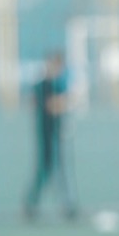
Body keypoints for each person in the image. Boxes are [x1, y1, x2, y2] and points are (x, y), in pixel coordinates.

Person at [23, 50, 78, 221]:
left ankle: (68, 204)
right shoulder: (43, 85)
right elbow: (41, 103)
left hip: (57, 133)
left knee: (61, 169)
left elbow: (65, 101)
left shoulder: (59, 83)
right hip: (45, 133)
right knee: (44, 169)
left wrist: (60, 104)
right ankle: (31, 203)